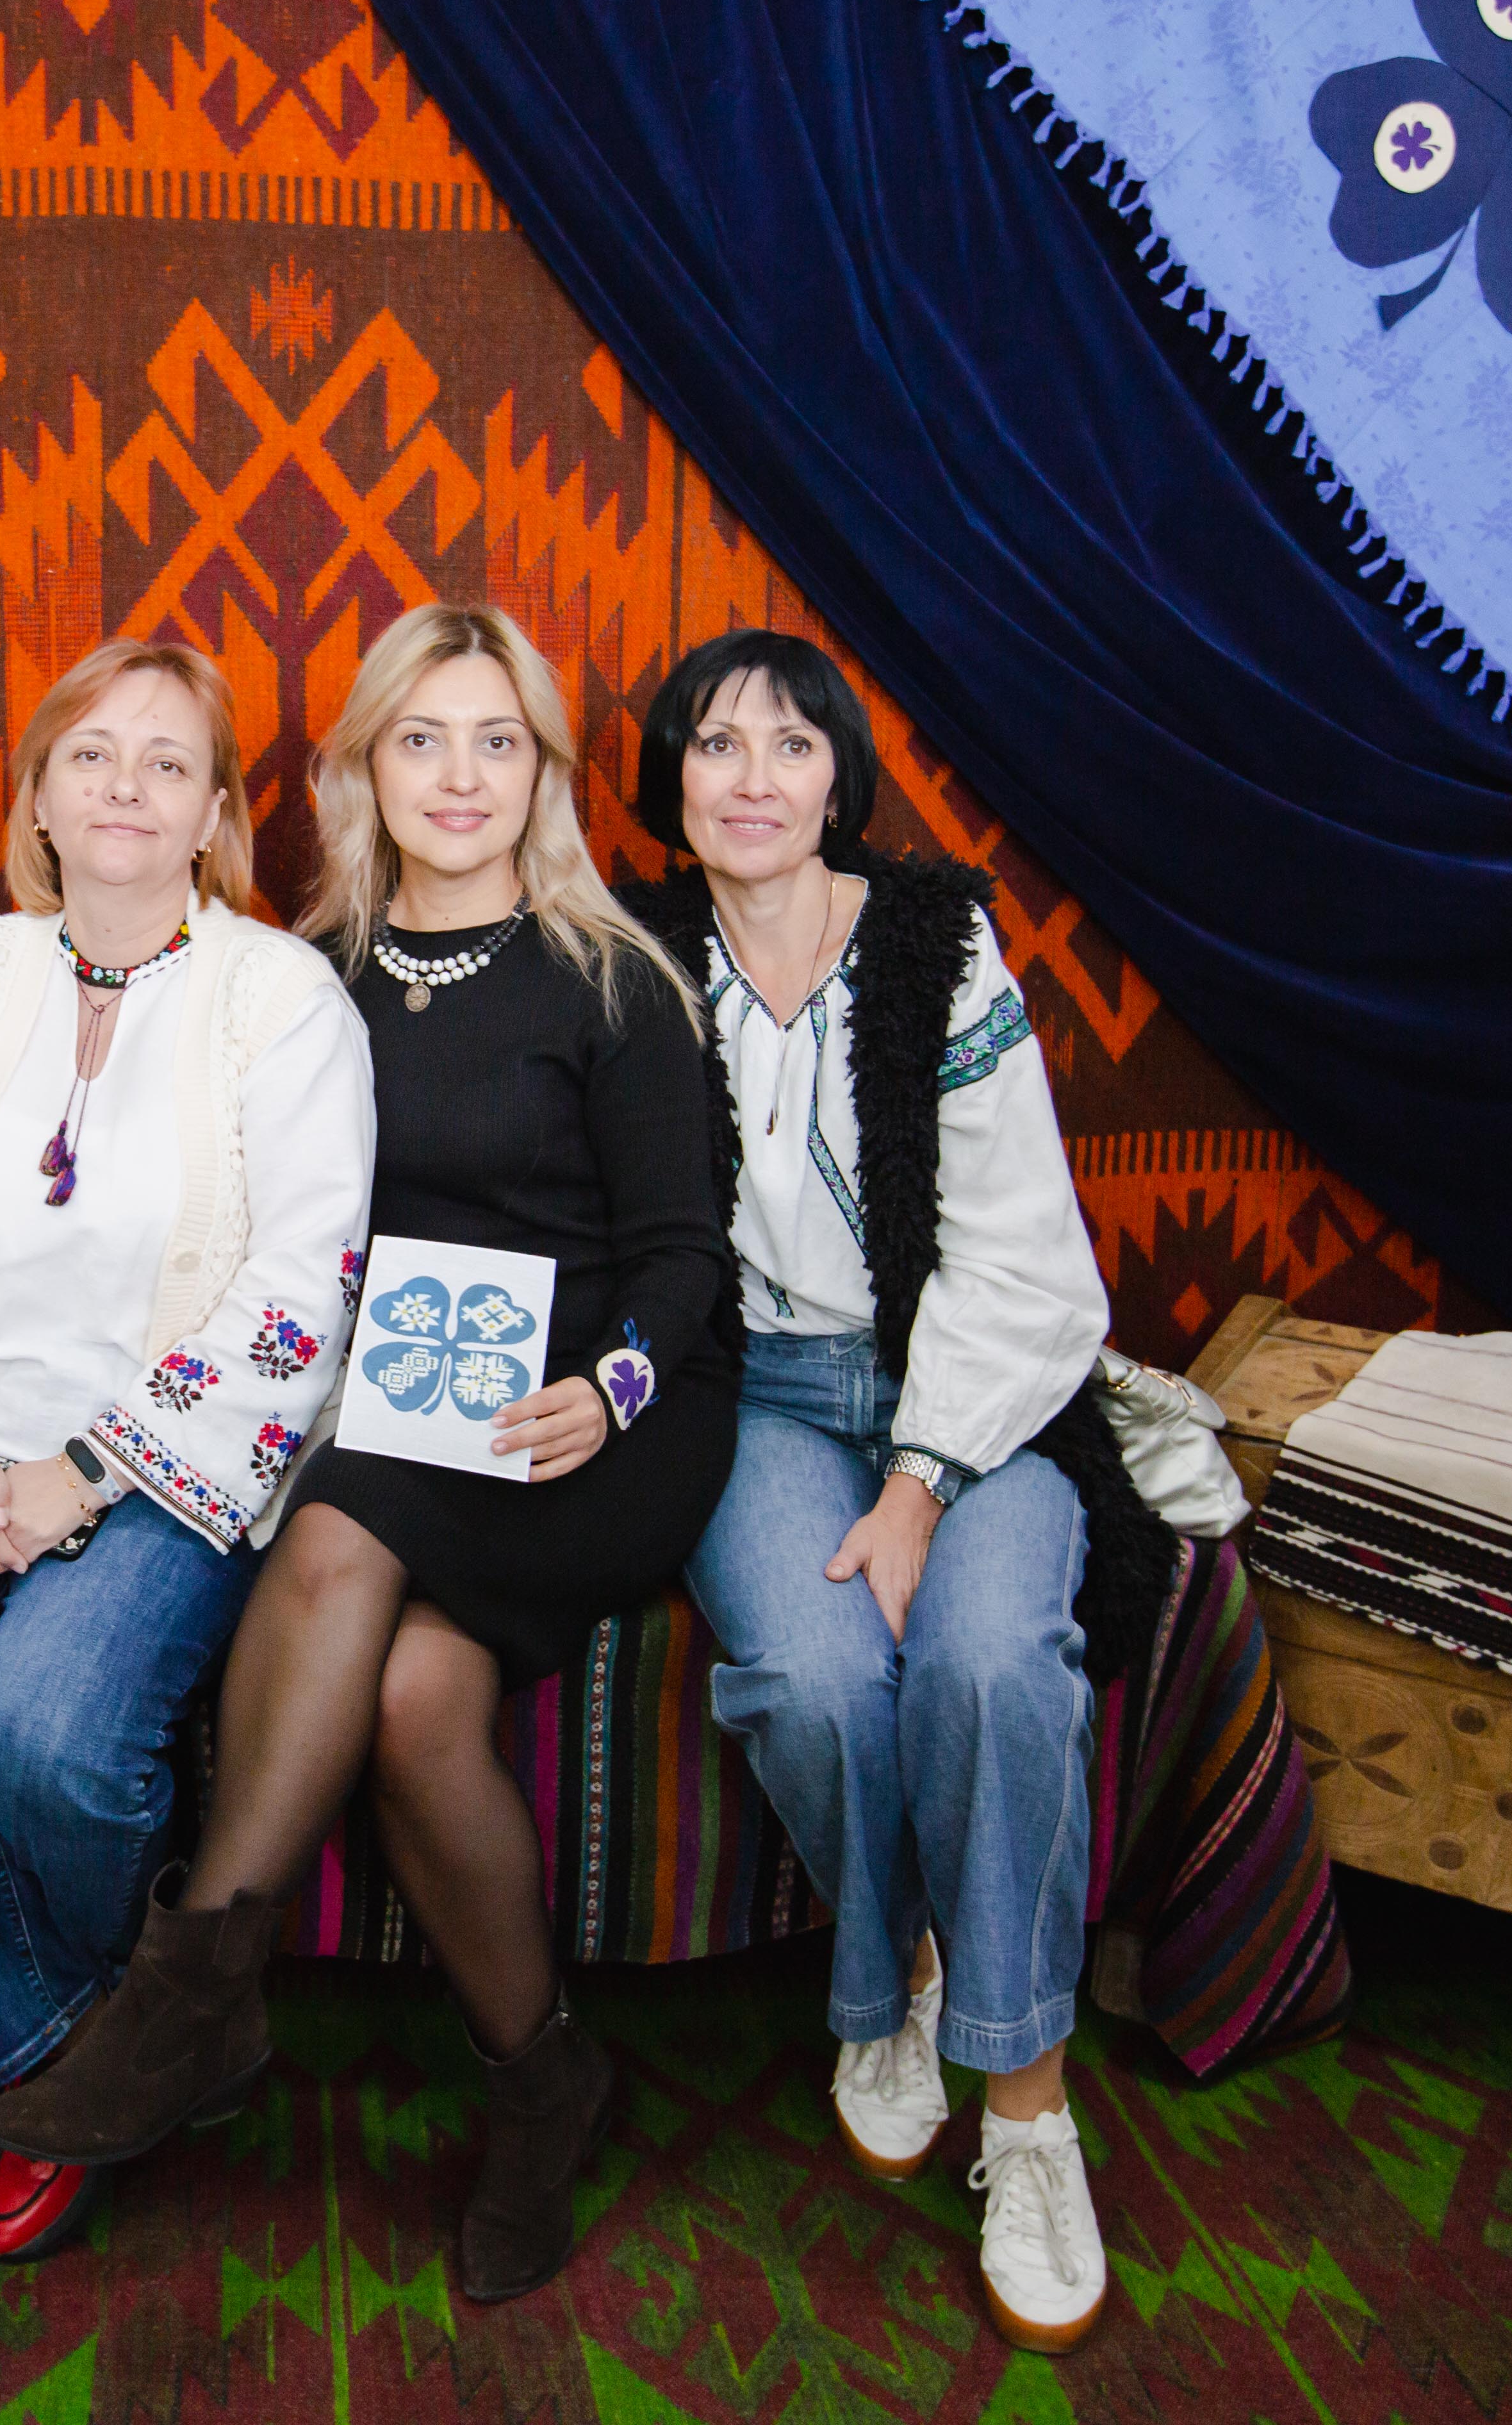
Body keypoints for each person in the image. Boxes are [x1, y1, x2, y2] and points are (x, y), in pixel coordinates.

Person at [0, 602, 735, 2303]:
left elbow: (686, 1254)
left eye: (498, 741)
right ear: (360, 770)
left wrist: (612, 1386)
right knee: (408, 1699)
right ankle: (546, 2083)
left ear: (541, 773)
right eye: (422, 738)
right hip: (403, 1406)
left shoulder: (616, 976)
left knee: (335, 1528)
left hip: (598, 1414)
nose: (461, 775)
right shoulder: (299, 980)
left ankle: (192, 1991)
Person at [0, 637, 375, 2265]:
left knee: (45, 1735)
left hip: (170, 1453)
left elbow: (301, 1292)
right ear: (36, 795)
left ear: (215, 814)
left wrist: (85, 1473)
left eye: (168, 764)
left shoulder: (281, 999)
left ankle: (74, 2061)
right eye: (91, 755)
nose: (125, 788)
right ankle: (78, 2048)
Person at [624, 631, 1179, 2352]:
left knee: (991, 1661)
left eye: (791, 745)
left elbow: (1023, 1258)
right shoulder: (636, 960)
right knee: (812, 1673)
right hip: (759, 1396)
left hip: (975, 1388)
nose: (753, 779)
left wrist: (923, 1480)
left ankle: (1026, 2108)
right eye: (716, 745)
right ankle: (897, 1982)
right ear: (669, 780)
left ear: (839, 780)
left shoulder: (934, 944)